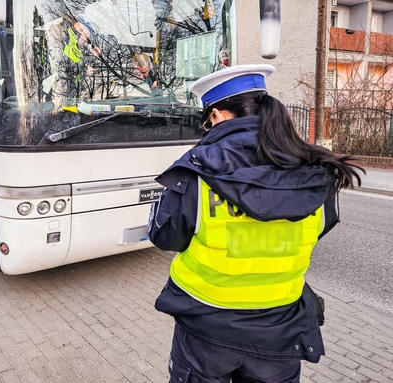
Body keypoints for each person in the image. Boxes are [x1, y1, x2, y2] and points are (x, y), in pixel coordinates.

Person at [147, 64, 364, 383]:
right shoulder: (315, 175)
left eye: (207, 121)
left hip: (208, 330)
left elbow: (165, 236)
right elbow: (320, 227)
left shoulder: (198, 171)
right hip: (280, 330)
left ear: (218, 116)